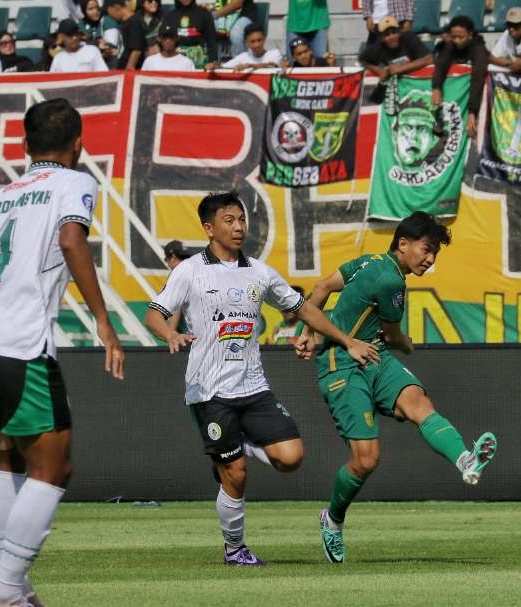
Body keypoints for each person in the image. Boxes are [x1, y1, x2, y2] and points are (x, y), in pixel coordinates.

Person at [0, 98, 125, 607]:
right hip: (22, 346)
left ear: (25, 146)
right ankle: (2, 593)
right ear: (78, 145)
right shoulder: (74, 182)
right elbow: (70, 241)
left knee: (8, 463)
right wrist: (104, 322)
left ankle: (15, 592)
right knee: (54, 470)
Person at [144, 191, 379, 567]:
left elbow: (302, 309)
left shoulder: (259, 271)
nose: (238, 227)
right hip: (209, 392)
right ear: (208, 227)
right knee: (235, 475)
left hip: (254, 388)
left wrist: (345, 340)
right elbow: (154, 313)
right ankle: (235, 549)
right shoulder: (188, 271)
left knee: (291, 458)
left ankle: (238, 446)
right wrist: (170, 334)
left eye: (241, 219)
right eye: (229, 220)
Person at [295, 211, 498, 564]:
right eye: (427, 249)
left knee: (419, 403)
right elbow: (392, 334)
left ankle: (465, 459)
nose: (431, 259)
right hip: (342, 362)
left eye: (435, 252)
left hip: (374, 355)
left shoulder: (369, 260)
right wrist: (405, 343)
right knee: (366, 460)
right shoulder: (390, 280)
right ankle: (333, 519)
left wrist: (307, 330)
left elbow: (324, 287)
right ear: (403, 243)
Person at [432, 15, 487, 140]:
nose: (456, 40)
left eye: (460, 37)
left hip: (474, 100)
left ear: (470, 34)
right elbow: (440, 66)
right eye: (454, 37)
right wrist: (436, 87)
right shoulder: (451, 44)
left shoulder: (478, 49)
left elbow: (477, 80)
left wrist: (473, 112)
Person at [359, 16, 433, 102]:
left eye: (394, 32)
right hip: (394, 93)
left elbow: (430, 59)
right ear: (381, 38)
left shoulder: (409, 37)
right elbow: (362, 60)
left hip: (416, 88)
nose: (392, 37)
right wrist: (378, 70)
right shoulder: (377, 46)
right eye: (387, 35)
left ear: (399, 32)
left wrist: (400, 69)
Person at [164, 0, 219, 69]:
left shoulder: (204, 14)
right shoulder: (169, 16)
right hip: (174, 63)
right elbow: (164, 41)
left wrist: (213, 61)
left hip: (199, 63)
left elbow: (211, 40)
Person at [103, 0, 147, 70]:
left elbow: (137, 49)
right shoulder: (125, 23)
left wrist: (129, 68)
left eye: (110, 14)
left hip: (129, 72)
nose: (111, 17)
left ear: (116, 7)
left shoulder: (134, 22)